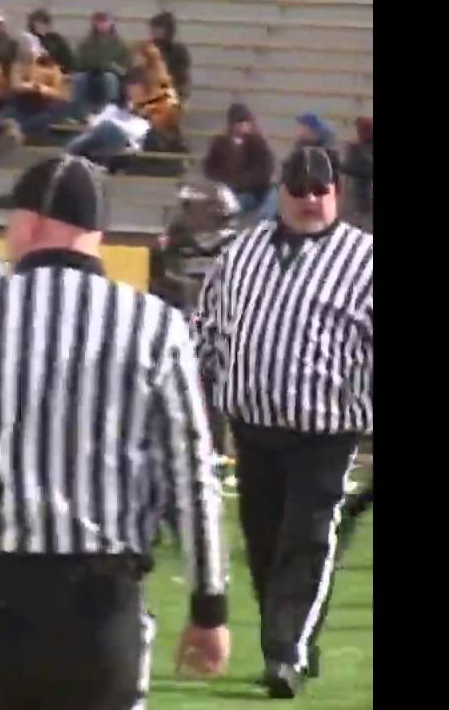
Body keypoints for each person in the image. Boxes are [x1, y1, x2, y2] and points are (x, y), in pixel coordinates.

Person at [0, 155, 231, 710]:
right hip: (98, 602)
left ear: (33, 221)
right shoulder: (153, 324)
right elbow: (191, 480)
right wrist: (208, 606)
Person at [196, 147, 373, 698]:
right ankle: (294, 638)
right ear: (283, 193)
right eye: (300, 191)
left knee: (307, 538)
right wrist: (202, 405)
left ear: (336, 192)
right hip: (252, 427)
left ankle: (285, 652)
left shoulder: (365, 259)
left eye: (321, 190)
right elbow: (207, 330)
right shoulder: (240, 253)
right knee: (265, 540)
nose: (311, 200)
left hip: (327, 427)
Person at [151, 181, 242, 469]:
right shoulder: (173, 245)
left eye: (192, 208)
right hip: (182, 327)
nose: (186, 214)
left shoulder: (237, 247)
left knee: (214, 388)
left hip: (222, 330)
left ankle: (218, 447)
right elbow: (158, 288)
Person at [203, 103, 277, 224]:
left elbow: (264, 170)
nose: (244, 126)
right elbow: (210, 168)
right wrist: (225, 183)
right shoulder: (220, 144)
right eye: (240, 122)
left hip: (251, 192)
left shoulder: (258, 144)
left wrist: (242, 182)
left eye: (246, 122)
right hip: (226, 189)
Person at [8, 35, 73, 141]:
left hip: (47, 104)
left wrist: (42, 89)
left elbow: (61, 93)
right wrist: (30, 87)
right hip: (25, 103)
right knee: (10, 112)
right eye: (22, 48)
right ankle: (16, 132)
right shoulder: (18, 65)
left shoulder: (49, 65)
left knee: (46, 116)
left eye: (28, 48)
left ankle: (18, 132)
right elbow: (15, 86)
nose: (24, 52)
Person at [74, 10, 131, 113]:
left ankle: (109, 111)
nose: (101, 25)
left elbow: (125, 68)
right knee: (79, 78)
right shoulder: (86, 42)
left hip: (111, 76)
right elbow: (80, 62)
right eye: (98, 22)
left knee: (109, 79)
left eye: (104, 21)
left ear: (111, 23)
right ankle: (81, 112)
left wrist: (111, 67)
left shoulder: (120, 44)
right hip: (90, 74)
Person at [148, 12, 191, 101]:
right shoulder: (148, 48)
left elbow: (180, 78)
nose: (153, 32)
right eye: (153, 28)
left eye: (157, 29)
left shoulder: (178, 51)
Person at [342, 117, 373, 232]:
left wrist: (340, 166)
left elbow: (361, 169)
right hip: (359, 196)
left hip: (361, 196)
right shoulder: (357, 146)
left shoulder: (359, 148)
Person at [26, 8, 74, 74]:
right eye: (38, 23)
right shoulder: (27, 39)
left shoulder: (56, 39)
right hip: (33, 73)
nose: (41, 26)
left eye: (44, 23)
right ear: (32, 25)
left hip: (53, 72)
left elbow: (68, 59)